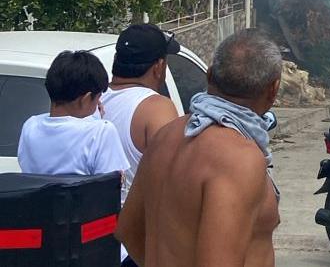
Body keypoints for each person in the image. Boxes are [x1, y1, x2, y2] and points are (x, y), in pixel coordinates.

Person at [116, 30, 282, 267]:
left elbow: (128, 230)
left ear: (210, 75)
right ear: (273, 89)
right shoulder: (239, 158)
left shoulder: (166, 135)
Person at [18, 50, 129, 177]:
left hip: (36, 197)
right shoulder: (101, 131)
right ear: (86, 98)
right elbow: (113, 185)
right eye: (98, 98)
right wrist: (97, 121)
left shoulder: (31, 126)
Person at [101, 24, 179, 201]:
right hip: (131, 223)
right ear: (159, 67)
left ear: (116, 59)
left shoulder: (92, 99)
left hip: (94, 219)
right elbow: (170, 180)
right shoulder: (155, 108)